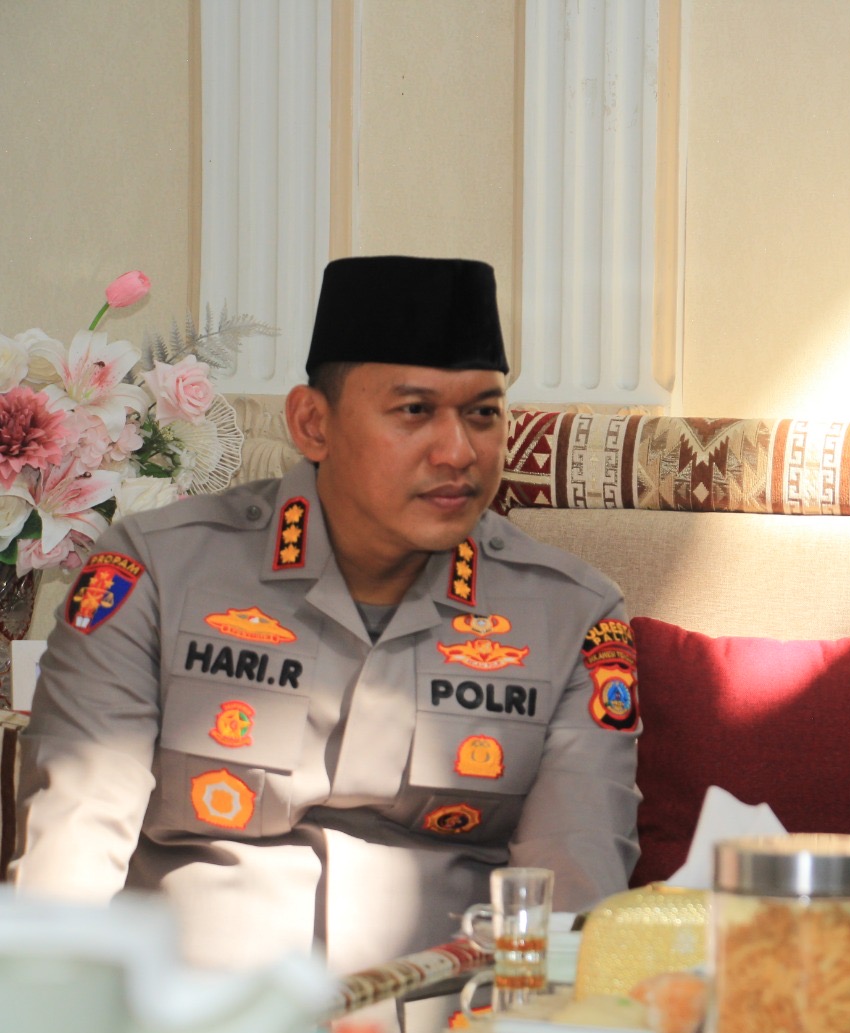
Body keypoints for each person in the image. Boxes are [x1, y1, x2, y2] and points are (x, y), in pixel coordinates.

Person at [12, 256, 641, 980]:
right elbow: (76, 844)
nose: (459, 451)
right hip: (198, 1014)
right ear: (313, 424)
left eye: (483, 414)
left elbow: (573, 894)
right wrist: (54, 1014)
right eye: (415, 411)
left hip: (444, 1025)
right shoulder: (154, 570)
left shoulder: (572, 615)